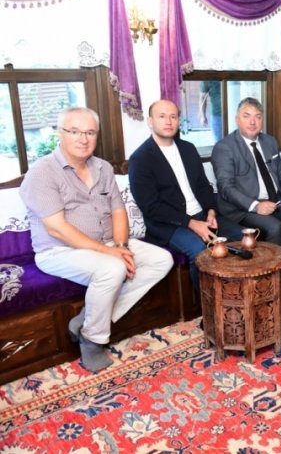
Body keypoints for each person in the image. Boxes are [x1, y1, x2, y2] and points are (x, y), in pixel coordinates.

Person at [19, 107, 173, 373]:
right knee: (112, 268)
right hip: (60, 250)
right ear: (60, 134)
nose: (83, 139)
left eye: (90, 132)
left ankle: (87, 321)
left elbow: (118, 211)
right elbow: (57, 229)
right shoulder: (42, 172)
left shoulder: (102, 167)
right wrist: (110, 253)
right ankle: (92, 340)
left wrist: (121, 247)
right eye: (75, 131)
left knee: (162, 259)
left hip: (107, 244)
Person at [211, 97, 281, 305]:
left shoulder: (269, 142)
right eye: (247, 116)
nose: (252, 122)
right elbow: (226, 188)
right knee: (275, 226)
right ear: (237, 119)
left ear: (262, 120)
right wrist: (256, 206)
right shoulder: (224, 147)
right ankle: (280, 282)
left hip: (275, 202)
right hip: (244, 209)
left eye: (257, 117)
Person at [128, 99, 236, 298]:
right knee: (200, 251)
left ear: (179, 121)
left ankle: (235, 295)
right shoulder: (140, 159)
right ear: (150, 121)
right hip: (169, 224)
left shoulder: (188, 148)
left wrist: (211, 211)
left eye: (173, 116)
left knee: (240, 236)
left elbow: (203, 185)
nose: (168, 121)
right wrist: (191, 223)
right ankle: (207, 307)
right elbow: (151, 207)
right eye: (162, 116)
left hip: (201, 214)